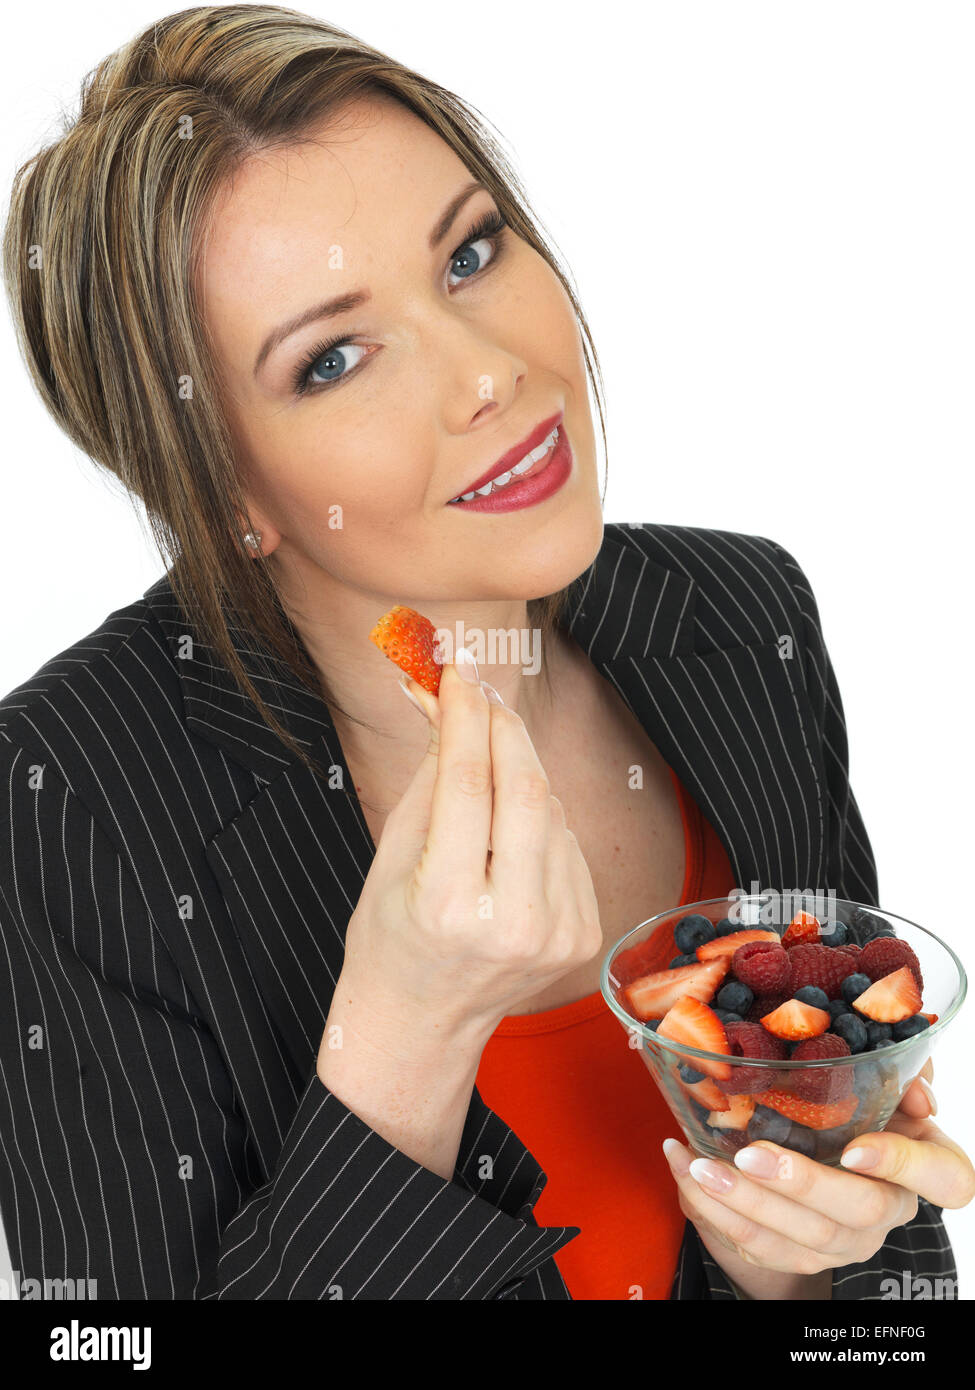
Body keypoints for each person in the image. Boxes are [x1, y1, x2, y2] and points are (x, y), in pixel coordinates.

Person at [0, 5, 970, 1301]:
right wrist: (406, 1032)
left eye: (469, 254)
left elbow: (892, 1298)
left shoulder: (743, 622)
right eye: (333, 357)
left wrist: (787, 1271)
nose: (486, 372)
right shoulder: (67, 798)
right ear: (229, 494)